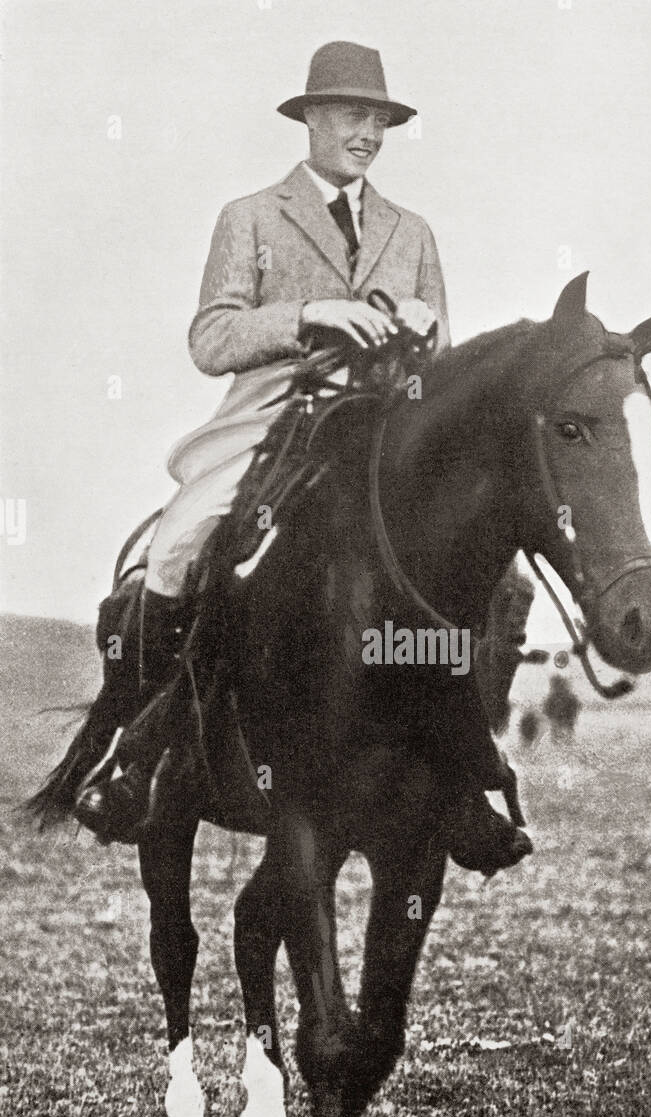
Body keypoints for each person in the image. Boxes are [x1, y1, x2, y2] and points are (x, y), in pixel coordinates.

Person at [76, 41, 530, 873]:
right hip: (276, 420)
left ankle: (462, 777)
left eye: (380, 121)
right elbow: (210, 339)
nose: (367, 134)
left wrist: (426, 344)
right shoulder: (250, 215)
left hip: (387, 433)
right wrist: (309, 315)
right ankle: (141, 746)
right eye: (352, 115)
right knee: (183, 542)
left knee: (492, 573)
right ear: (312, 119)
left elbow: (446, 361)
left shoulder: (413, 231)